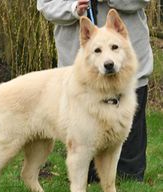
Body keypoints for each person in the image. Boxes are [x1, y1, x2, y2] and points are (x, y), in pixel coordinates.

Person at [37, 0, 153, 181]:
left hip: (127, 72)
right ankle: (85, 181)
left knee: (129, 158)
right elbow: (46, 4)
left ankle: (129, 180)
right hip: (82, 78)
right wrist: (72, 7)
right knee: (82, 143)